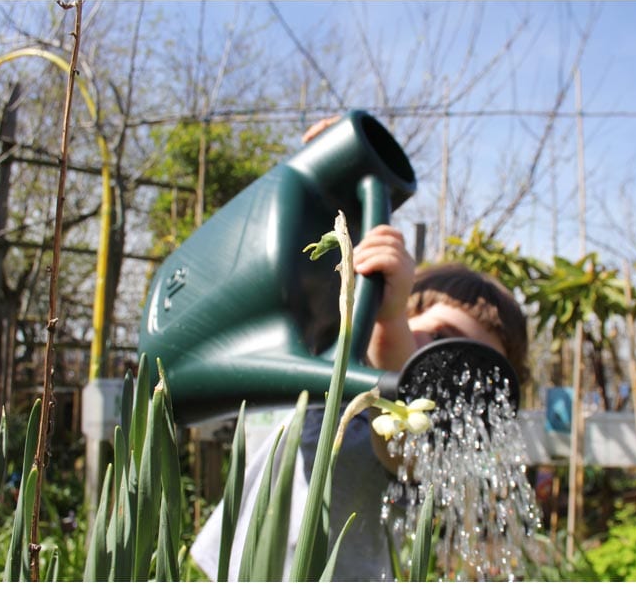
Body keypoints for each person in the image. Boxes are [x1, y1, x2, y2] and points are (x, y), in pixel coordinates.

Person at [189, 120, 530, 582]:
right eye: (436, 334)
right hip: (237, 566)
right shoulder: (331, 349)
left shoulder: (421, 430)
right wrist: (335, 174)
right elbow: (282, 265)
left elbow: (403, 448)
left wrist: (392, 324)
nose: (436, 358)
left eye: (463, 365)